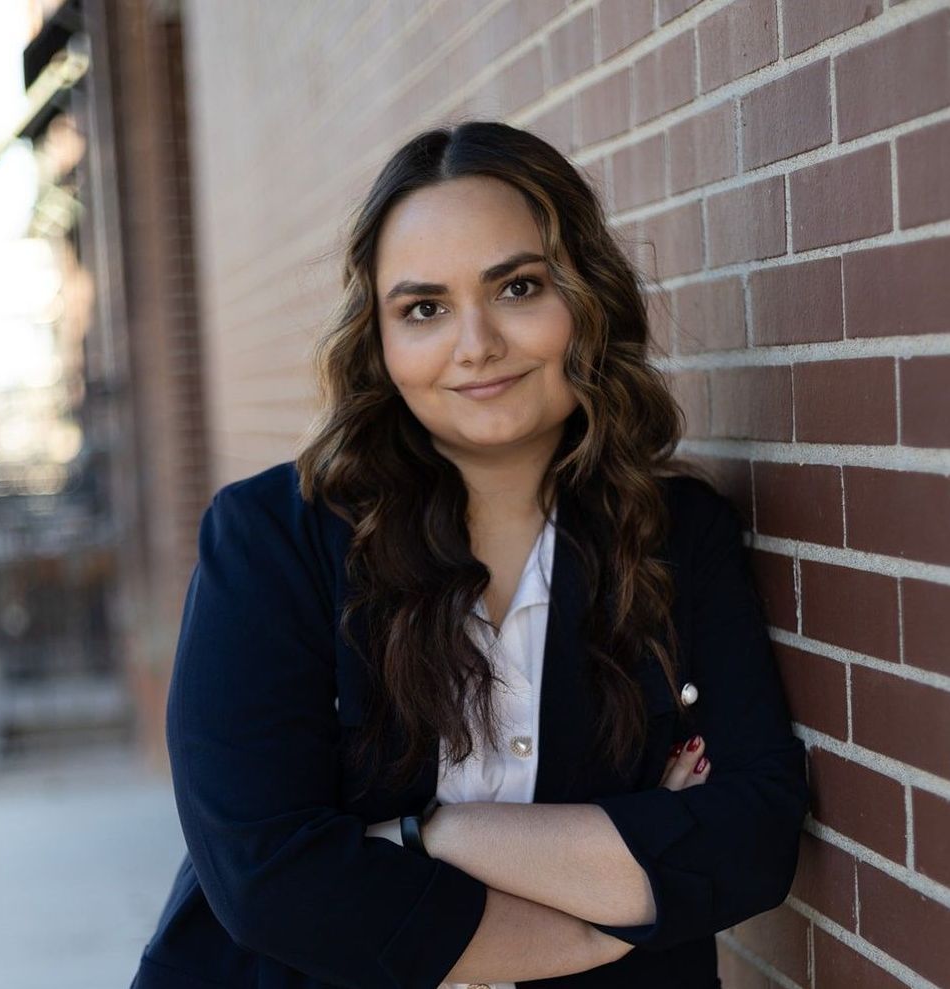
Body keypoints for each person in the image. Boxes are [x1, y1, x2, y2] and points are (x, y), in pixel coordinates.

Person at [129, 119, 809, 989]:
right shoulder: (270, 542)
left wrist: (436, 832)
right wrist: (609, 916)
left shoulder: (676, 535)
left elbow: (751, 836)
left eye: (519, 288)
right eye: (424, 308)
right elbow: (268, 878)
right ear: (379, 341)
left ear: (586, 299)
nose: (476, 343)